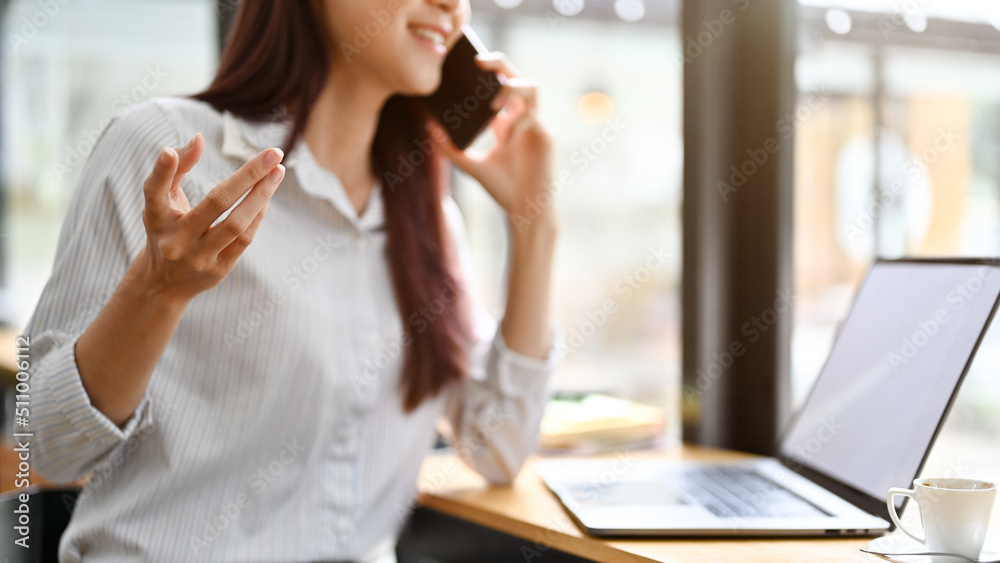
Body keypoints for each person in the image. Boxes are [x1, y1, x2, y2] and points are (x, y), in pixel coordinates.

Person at [25, 0, 561, 560]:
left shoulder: (426, 219)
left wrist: (535, 223)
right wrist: (156, 292)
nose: (452, 5)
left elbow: (498, 447)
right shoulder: (168, 151)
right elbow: (43, 443)